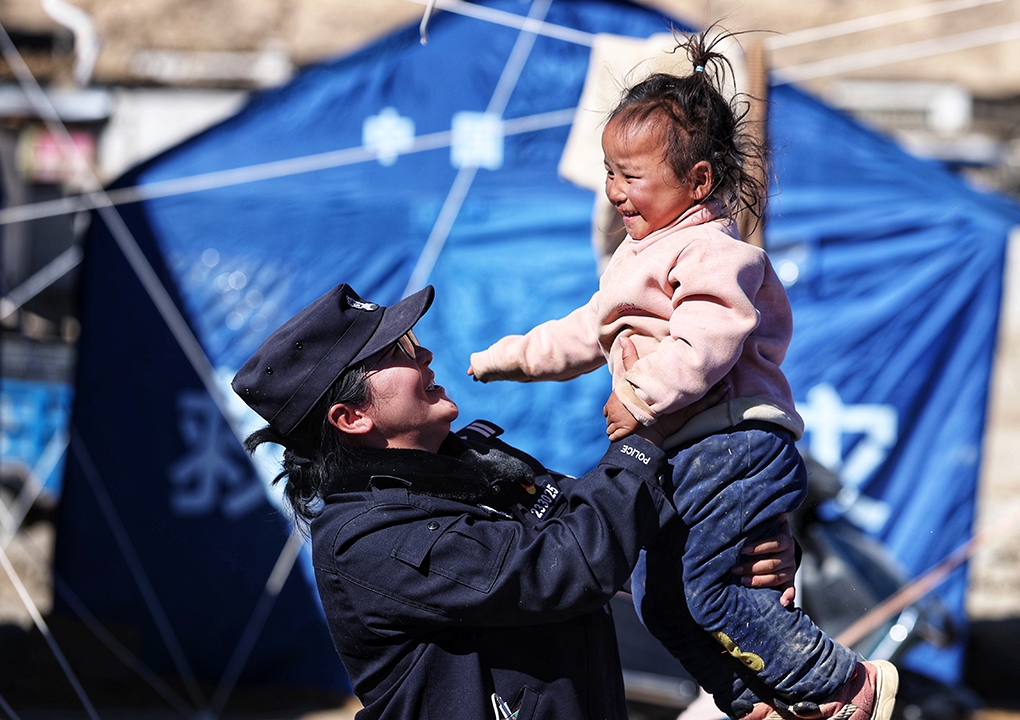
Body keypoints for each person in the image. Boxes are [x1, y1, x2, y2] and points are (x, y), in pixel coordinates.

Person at [467, 30, 895, 720]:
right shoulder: (634, 258)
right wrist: (506, 358)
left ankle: (841, 683)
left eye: (631, 176)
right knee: (658, 603)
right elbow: (584, 333)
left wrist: (638, 396)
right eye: (610, 173)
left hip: (732, 447)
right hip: (684, 454)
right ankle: (747, 699)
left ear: (697, 181)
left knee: (713, 591)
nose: (615, 191)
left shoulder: (711, 250)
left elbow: (709, 335)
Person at [231, 283, 800, 720]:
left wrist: (735, 545)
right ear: (351, 417)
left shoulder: (473, 462)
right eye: (397, 352)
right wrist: (645, 434)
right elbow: (569, 565)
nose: (424, 354)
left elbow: (614, 527)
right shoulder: (367, 539)